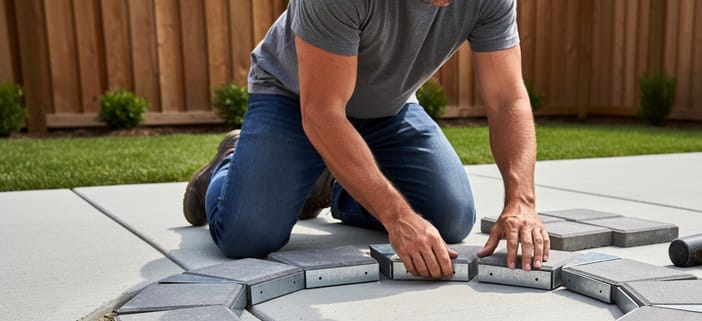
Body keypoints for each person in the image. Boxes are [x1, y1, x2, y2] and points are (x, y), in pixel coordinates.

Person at [183, 0, 550, 279]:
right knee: (248, 236)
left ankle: (336, 183)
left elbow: (507, 99)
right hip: (293, 99)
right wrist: (397, 217)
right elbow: (322, 111)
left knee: (450, 219)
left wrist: (522, 201)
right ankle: (229, 161)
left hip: (389, 107)